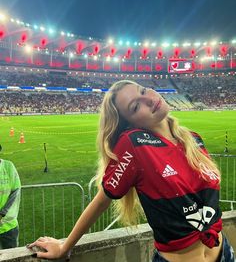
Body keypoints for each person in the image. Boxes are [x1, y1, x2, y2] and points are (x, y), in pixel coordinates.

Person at [28, 80, 235, 262]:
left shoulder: (194, 139)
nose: (148, 99)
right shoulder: (134, 144)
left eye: (143, 91)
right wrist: (65, 247)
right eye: (135, 107)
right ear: (130, 123)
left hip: (224, 253)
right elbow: (102, 199)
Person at [0, 157, 21, 249]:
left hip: (9, 227)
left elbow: (15, 191)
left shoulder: (8, 166)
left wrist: (2, 213)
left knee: (12, 256)